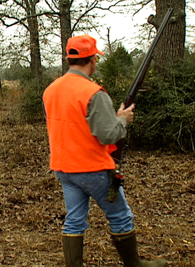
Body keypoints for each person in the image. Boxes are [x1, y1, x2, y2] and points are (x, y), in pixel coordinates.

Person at [42, 35, 167, 267]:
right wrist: (122, 119)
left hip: (63, 168)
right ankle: (135, 265)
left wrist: (113, 116)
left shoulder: (51, 89)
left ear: (70, 59)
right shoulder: (93, 92)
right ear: (91, 60)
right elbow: (109, 135)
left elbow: (71, 124)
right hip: (93, 168)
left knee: (74, 221)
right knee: (120, 215)